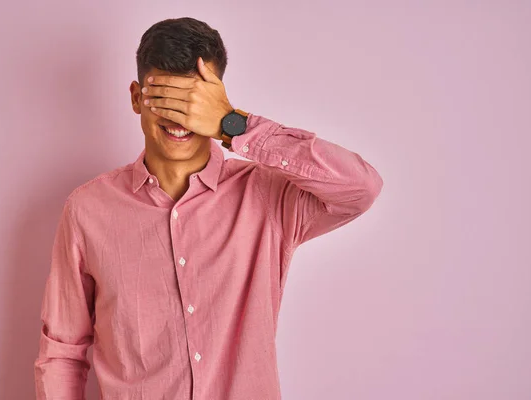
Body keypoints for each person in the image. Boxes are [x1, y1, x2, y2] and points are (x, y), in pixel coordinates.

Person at [34, 16, 383, 400]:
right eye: (163, 98)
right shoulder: (88, 210)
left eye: (192, 102)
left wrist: (233, 126)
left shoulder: (265, 197)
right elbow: (63, 352)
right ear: (136, 98)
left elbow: (360, 187)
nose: (178, 117)